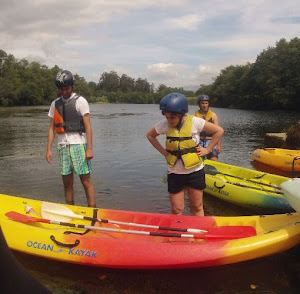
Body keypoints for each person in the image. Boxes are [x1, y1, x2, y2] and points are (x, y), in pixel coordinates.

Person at [147, 93, 224, 216]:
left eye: (172, 118)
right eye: (166, 117)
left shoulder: (195, 122)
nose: (169, 121)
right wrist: (162, 151)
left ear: (181, 114)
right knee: (177, 210)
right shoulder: (164, 124)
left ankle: (198, 233)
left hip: (195, 172)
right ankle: (177, 232)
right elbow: (150, 135)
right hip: (175, 173)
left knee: (197, 207)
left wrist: (208, 149)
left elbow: (219, 131)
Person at [46, 70, 96, 207]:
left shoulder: (80, 101)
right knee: (67, 184)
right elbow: (51, 128)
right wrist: (48, 150)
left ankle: (93, 211)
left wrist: (89, 149)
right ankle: (70, 209)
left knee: (86, 182)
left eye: (66, 88)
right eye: (61, 89)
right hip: (62, 146)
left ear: (72, 86)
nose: (64, 91)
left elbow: (88, 127)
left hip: (78, 145)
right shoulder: (54, 104)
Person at [195, 94, 221, 161]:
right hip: (199, 141)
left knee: (214, 159)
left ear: (208, 104)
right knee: (198, 160)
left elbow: (218, 131)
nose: (204, 105)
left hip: (210, 141)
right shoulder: (195, 116)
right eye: (202, 103)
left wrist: (218, 145)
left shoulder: (213, 115)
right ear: (199, 104)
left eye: (206, 103)